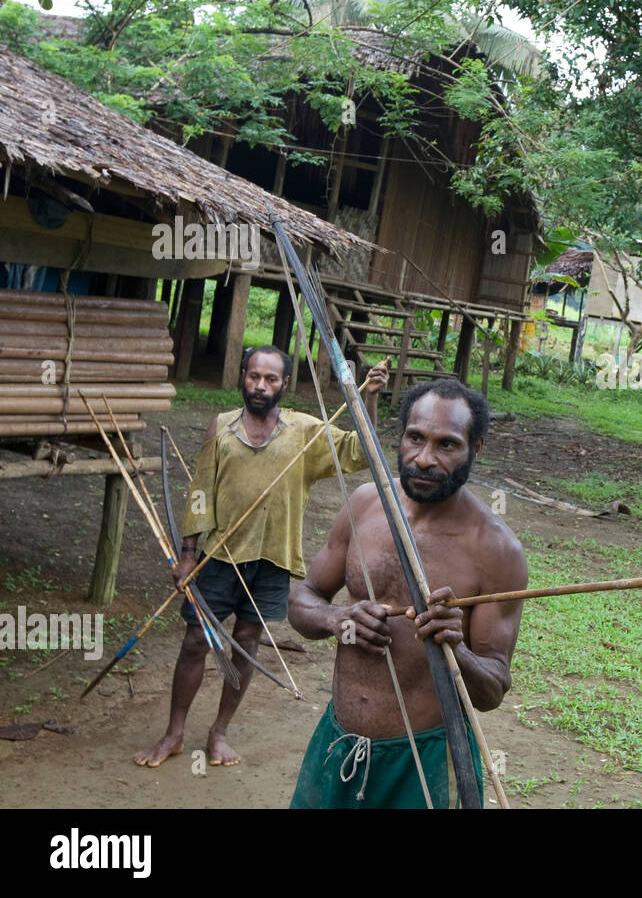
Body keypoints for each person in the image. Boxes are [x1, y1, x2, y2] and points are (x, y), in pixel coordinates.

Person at [133, 345, 389, 768]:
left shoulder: (305, 432)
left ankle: (219, 733)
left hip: (272, 559)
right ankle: (174, 734)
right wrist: (187, 554)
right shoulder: (221, 428)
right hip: (218, 556)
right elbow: (200, 493)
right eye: (254, 376)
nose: (260, 386)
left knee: (247, 644)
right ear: (244, 378)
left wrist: (371, 398)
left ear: (284, 384)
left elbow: (361, 452)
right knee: (196, 640)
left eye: (270, 379)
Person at [287, 378, 527, 808]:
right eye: (415, 438)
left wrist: (456, 649)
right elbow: (303, 600)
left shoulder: (495, 549)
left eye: (447, 445)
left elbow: (492, 691)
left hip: (427, 762)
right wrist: (335, 620)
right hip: (338, 744)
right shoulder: (364, 504)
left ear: (478, 448)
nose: (424, 459)